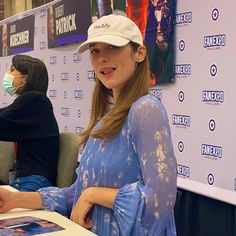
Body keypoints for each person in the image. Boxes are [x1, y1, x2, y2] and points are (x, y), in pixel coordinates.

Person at [0, 15, 177, 235]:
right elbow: (77, 193)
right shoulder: (104, 122)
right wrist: (17, 199)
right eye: (95, 51)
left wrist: (94, 194)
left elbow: (159, 201)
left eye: (112, 47)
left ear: (139, 53)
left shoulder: (145, 109)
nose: (102, 58)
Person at [0, 54, 59, 191]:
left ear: (26, 78)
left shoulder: (34, 100)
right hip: (26, 180)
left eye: (12, 70)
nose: (8, 74)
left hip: (35, 184)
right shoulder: (31, 101)